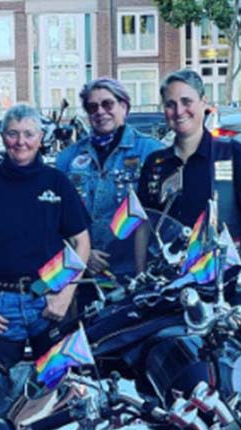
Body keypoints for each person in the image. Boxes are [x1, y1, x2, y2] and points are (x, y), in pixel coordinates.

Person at [0, 104, 90, 369]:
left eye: (28, 134)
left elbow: (81, 242)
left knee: (59, 386)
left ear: (40, 138)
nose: (21, 142)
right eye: (13, 134)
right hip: (0, 304)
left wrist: (66, 294)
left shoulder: (57, 182)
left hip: (49, 297)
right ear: (3, 136)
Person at [135, 69, 241, 271]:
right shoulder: (156, 163)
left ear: (203, 103)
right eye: (170, 104)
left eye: (186, 101)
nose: (179, 111)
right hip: (168, 278)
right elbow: (143, 225)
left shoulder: (234, 154)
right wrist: (140, 275)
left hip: (221, 278)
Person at [57, 77, 163, 280]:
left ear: (124, 106)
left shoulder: (151, 151)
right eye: (92, 107)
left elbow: (159, 216)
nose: (100, 111)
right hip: (85, 275)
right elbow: (58, 216)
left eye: (107, 104)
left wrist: (142, 273)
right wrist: (83, 254)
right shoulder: (68, 158)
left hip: (135, 272)